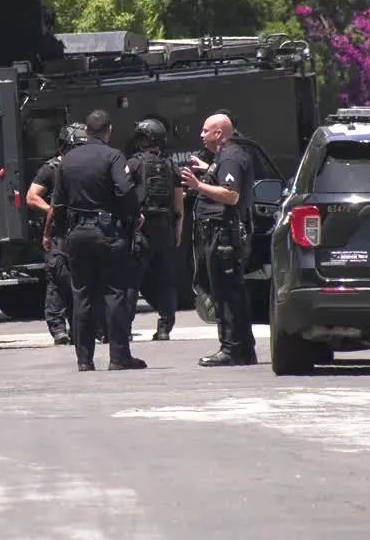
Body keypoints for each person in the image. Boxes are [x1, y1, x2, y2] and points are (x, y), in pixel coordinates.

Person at [44, 110, 147, 372]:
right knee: (114, 294)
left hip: (76, 235)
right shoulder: (113, 155)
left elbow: (58, 202)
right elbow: (124, 190)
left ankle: (84, 359)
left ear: (86, 131)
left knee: (82, 295)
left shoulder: (66, 161)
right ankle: (118, 356)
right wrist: (134, 216)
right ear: (108, 130)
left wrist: (57, 233)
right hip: (108, 232)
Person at [180, 113, 257, 367]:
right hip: (222, 233)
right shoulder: (223, 157)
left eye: (205, 131)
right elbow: (224, 178)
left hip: (223, 235)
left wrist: (197, 185)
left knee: (225, 294)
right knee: (230, 292)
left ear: (219, 133)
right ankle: (243, 348)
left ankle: (231, 348)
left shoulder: (231, 156)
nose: (201, 135)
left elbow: (231, 195)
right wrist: (206, 170)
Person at [26, 123, 103, 346]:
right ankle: (59, 330)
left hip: (83, 229)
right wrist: (51, 210)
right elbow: (32, 197)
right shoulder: (51, 168)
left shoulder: (86, 167)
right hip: (59, 232)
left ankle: (89, 326)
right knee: (58, 281)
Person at [125, 119, 184, 341]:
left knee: (132, 280)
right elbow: (179, 204)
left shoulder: (133, 164)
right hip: (166, 228)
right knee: (165, 280)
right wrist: (178, 229)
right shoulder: (171, 165)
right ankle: (164, 327)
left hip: (142, 228)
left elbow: (124, 193)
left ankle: (126, 328)